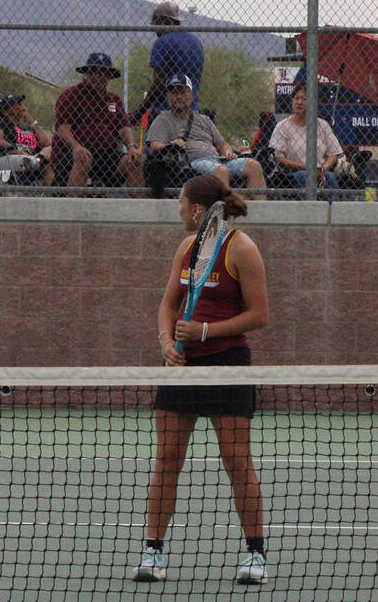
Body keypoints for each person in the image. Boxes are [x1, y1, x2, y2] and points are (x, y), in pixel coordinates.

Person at [133, 174, 269, 585]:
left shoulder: (242, 249)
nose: (177, 210)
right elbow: (167, 305)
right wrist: (165, 342)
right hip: (182, 368)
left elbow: (260, 315)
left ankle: (256, 556)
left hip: (226, 364)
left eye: (180, 203)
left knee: (236, 462)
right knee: (167, 460)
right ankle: (152, 553)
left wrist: (207, 332)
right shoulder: (187, 249)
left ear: (196, 209)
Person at [145, 74, 265, 198]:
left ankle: (261, 214)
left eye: (183, 92)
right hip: (191, 164)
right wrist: (172, 144)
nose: (179, 96)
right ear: (167, 97)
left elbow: (222, 144)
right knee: (221, 170)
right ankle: (225, 213)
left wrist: (228, 152)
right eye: (174, 93)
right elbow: (154, 145)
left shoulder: (204, 119)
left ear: (191, 96)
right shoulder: (163, 119)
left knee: (254, 166)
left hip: (218, 160)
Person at [53, 53, 144, 190]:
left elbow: (124, 127)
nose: (97, 76)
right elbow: (62, 128)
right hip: (72, 154)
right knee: (83, 158)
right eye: (93, 72)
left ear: (108, 77)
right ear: (86, 74)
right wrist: (76, 146)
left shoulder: (114, 100)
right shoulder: (71, 95)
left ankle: (140, 207)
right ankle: (73, 204)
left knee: (134, 160)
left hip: (106, 156)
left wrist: (131, 147)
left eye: (102, 73)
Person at [132, 2, 204, 125]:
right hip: (190, 110)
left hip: (164, 111)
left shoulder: (162, 43)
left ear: (163, 22)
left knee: (155, 143)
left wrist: (139, 112)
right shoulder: (196, 41)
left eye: (156, 25)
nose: (155, 30)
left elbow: (159, 83)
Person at [268, 83, 343, 190]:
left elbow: (334, 154)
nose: (299, 102)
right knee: (304, 176)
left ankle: (330, 207)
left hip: (319, 170)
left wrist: (323, 168)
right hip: (293, 172)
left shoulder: (322, 125)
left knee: (330, 178)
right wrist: (305, 167)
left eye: (304, 99)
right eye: (296, 98)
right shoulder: (282, 126)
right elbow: (279, 158)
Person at [0, 93, 53, 186]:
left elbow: (46, 143)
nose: (22, 107)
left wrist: (32, 121)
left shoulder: (27, 128)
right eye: (18, 104)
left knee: (52, 149)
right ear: (5, 111)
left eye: (22, 104)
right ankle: (35, 161)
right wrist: (18, 151)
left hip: (32, 158)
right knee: (35, 162)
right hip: (8, 157)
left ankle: (45, 195)